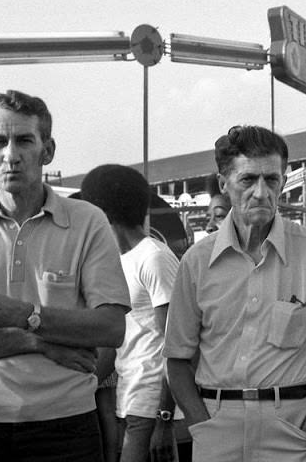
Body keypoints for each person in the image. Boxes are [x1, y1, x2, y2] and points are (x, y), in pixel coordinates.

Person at [0, 90, 131, 461]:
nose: (11, 154)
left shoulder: (87, 221)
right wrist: (36, 341)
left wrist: (18, 313)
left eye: (24, 140)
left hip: (66, 424)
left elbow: (111, 328)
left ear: (48, 150)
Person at [163, 125, 306, 462]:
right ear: (224, 184)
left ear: (283, 182)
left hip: (296, 427)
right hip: (217, 428)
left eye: (271, 180)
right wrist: (201, 425)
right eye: (248, 180)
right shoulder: (196, 263)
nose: (261, 192)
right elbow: (177, 358)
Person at [81, 164, 180, 462]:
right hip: (127, 401)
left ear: (101, 213)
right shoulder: (120, 262)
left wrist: (165, 417)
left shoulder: (154, 257)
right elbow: (117, 344)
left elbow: (176, 346)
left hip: (151, 407)